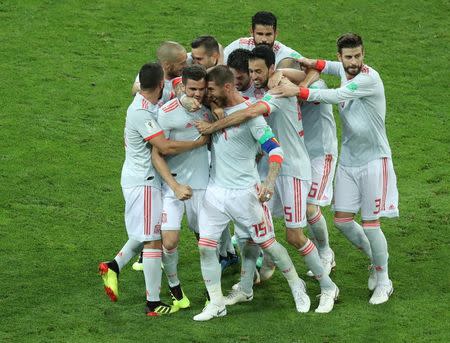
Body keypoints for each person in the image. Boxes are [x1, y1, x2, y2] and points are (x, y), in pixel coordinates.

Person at [195, 46, 339, 313]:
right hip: (263, 173)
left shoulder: (278, 93)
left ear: (273, 69)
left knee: (294, 237)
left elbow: (249, 113)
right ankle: (246, 287)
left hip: (292, 170)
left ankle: (327, 286)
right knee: (253, 237)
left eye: (258, 71)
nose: (253, 76)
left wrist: (215, 124)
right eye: (250, 71)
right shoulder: (262, 90)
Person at [271, 33, 399, 305]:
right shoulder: (342, 68)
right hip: (350, 160)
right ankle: (376, 260)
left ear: (363, 54)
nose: (354, 62)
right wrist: (310, 61)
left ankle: (383, 279)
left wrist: (300, 91)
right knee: (341, 221)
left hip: (375, 161)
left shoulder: (368, 78)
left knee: (371, 224)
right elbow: (327, 66)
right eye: (348, 57)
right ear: (341, 56)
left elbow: (337, 94)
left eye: (358, 56)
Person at [98, 63, 208, 316]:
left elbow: (177, 96)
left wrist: (184, 97)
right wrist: (198, 142)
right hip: (144, 181)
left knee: (147, 232)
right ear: (160, 84)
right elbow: (164, 147)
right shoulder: (140, 112)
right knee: (152, 240)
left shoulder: (148, 100)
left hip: (147, 180)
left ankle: (113, 265)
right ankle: (153, 303)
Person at [151, 65, 211, 310]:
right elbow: (158, 152)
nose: (197, 94)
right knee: (170, 242)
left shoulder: (210, 109)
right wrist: (174, 186)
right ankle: (174, 285)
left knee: (206, 241)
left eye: (201, 89)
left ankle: (212, 289)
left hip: (203, 184)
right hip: (174, 185)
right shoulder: (167, 113)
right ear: (182, 87)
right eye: (192, 88)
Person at [300, 79, 338, 277]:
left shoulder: (317, 87)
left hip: (322, 155)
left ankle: (326, 253)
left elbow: (312, 79)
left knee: (310, 207)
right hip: (300, 155)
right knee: (305, 209)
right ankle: (318, 251)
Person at [223, 11, 302, 69]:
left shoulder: (284, 52)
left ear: (276, 33)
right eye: (260, 34)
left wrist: (304, 84)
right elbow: (219, 63)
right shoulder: (240, 45)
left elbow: (312, 66)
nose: (264, 39)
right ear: (251, 32)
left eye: (268, 34)